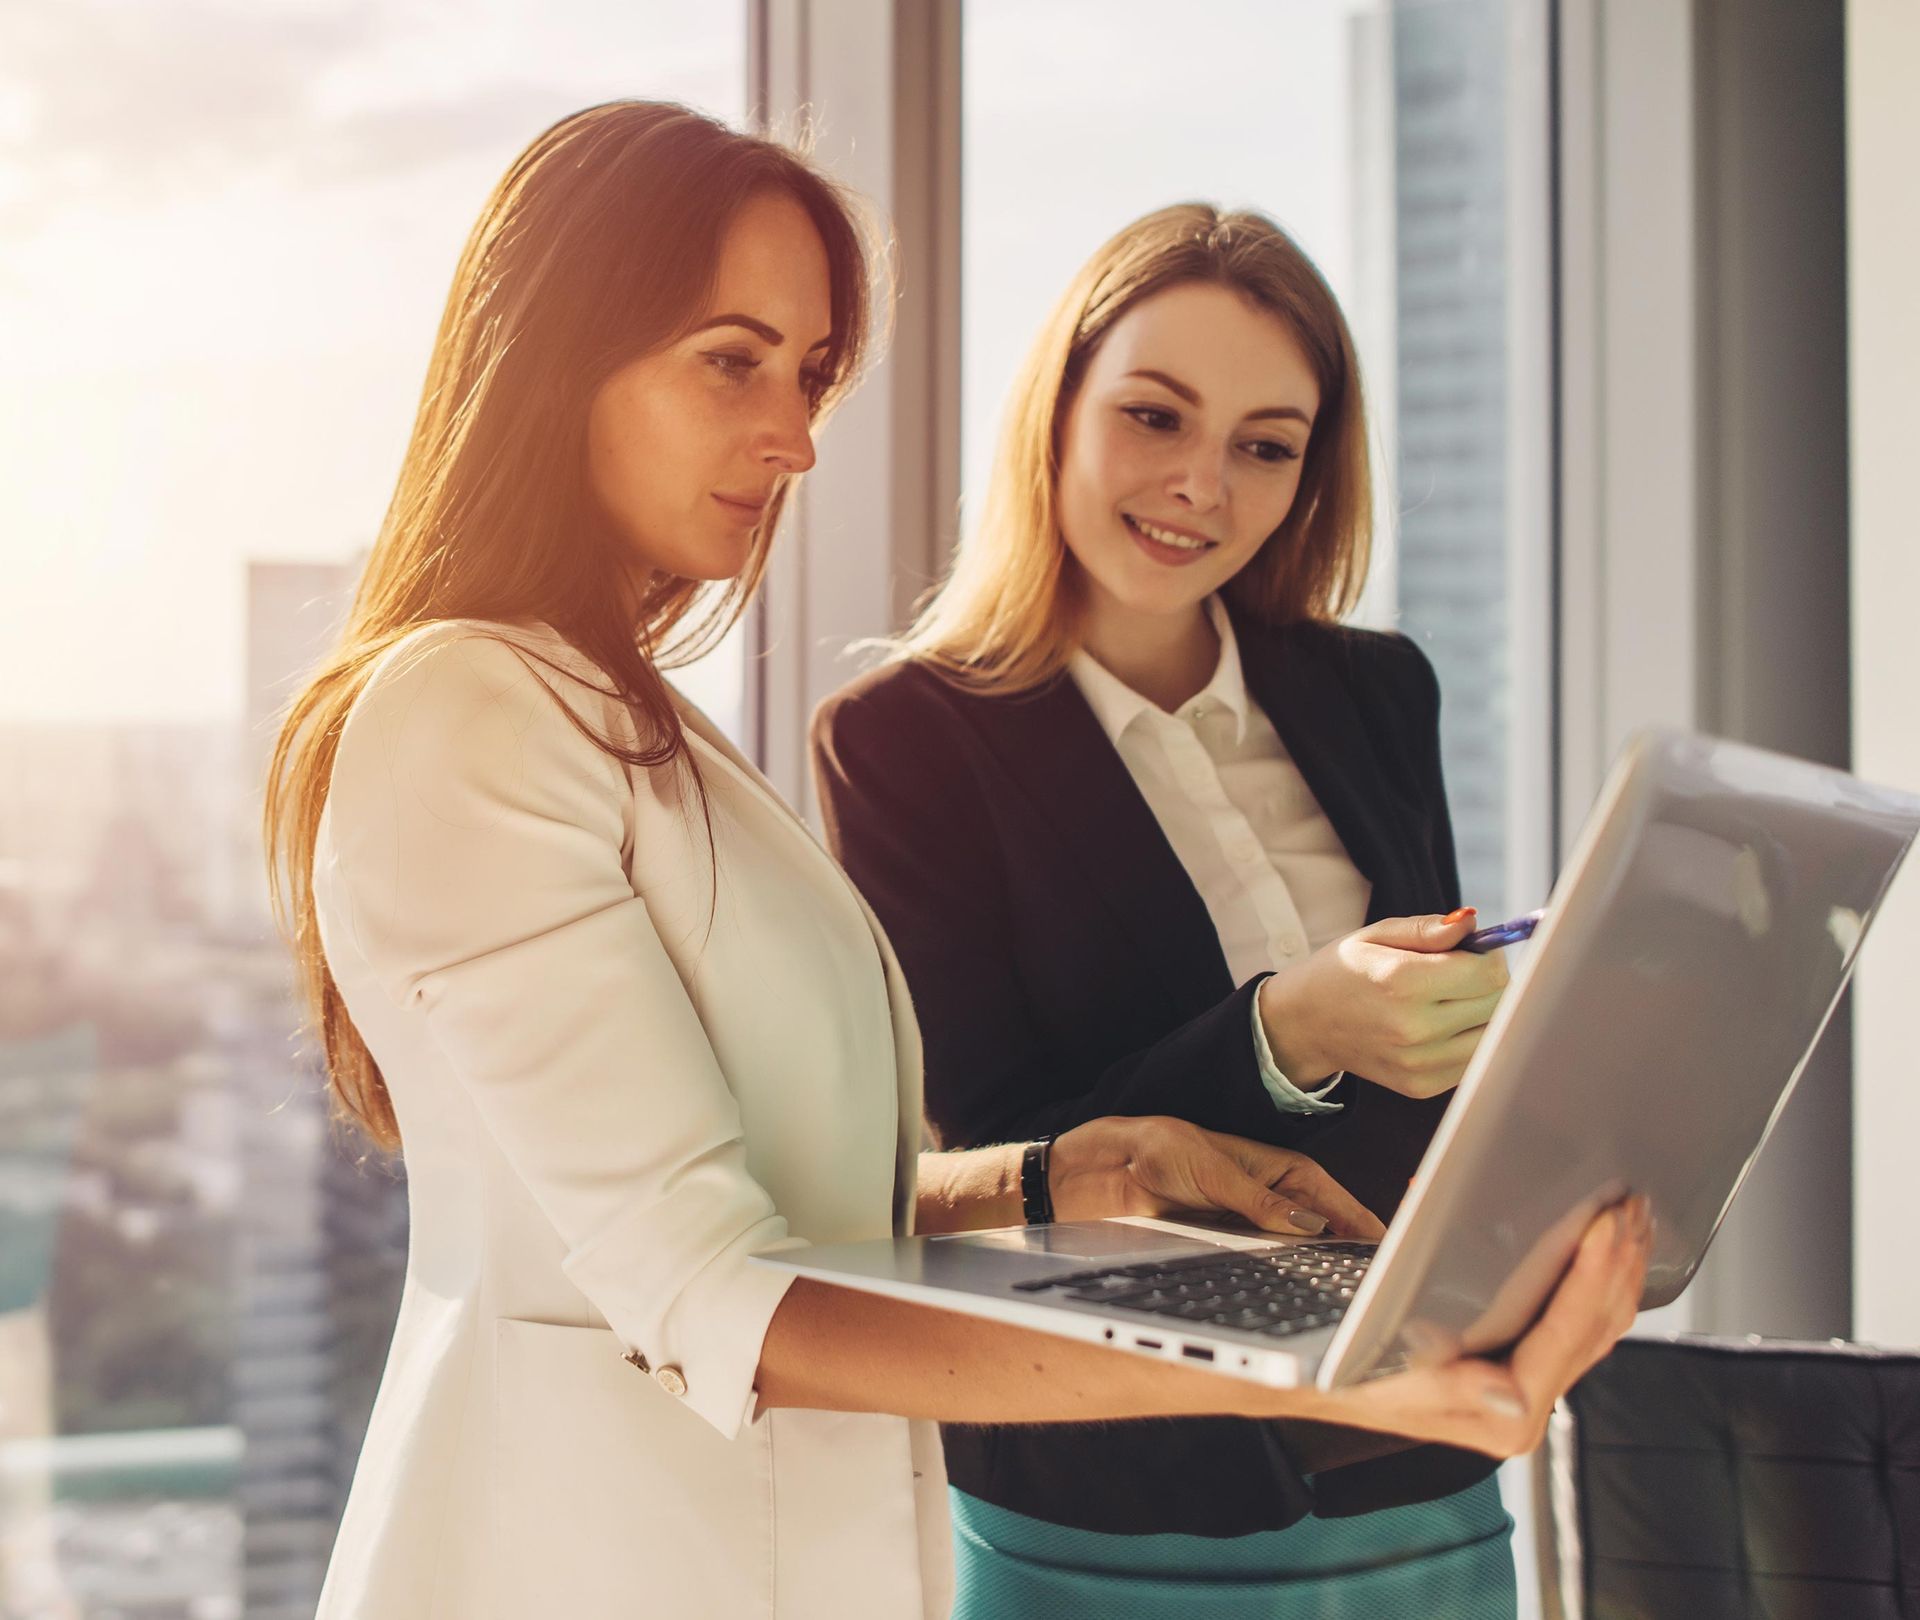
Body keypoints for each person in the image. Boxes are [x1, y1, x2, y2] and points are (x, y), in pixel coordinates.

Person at [264, 107, 1648, 1620]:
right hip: (599, 1563)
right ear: (549, 349)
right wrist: (1322, 1363)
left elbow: (806, 1200)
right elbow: (721, 1293)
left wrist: (1090, 1172)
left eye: (808, 375)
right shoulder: (466, 705)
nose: (795, 436)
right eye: (733, 359)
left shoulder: (644, 729)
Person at [813, 203, 1539, 1617]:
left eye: (1265, 446)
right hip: (1121, 1501)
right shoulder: (905, 739)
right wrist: (1289, 1030)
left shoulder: (1376, 692)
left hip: (1413, 1461)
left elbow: (1420, 1103)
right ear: (1060, 410)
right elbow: (1005, 1149)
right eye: (1156, 417)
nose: (1202, 484)